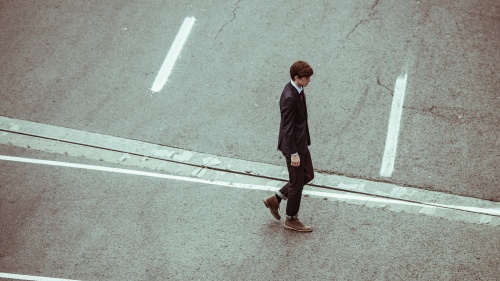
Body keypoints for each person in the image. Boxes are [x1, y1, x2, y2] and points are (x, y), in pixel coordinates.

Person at [263, 61, 315, 232]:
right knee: (296, 183)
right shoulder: (289, 98)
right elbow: (287, 127)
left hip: (300, 143)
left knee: (307, 175)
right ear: (296, 78)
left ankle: (276, 199)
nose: (309, 81)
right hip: (293, 147)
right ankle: (291, 219)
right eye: (306, 78)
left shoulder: (297, 89)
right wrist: (293, 153)